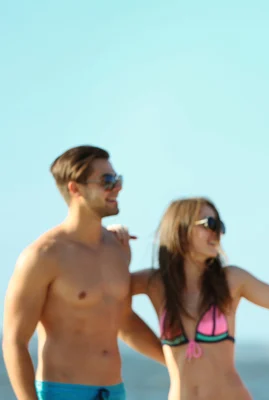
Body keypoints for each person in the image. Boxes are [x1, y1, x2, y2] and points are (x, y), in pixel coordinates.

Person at [2, 145, 164, 400]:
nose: (118, 187)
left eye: (117, 179)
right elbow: (14, 341)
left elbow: (123, 321)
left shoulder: (118, 249)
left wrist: (175, 363)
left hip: (114, 392)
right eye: (107, 180)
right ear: (75, 188)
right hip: (62, 393)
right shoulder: (43, 256)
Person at [110, 197, 269, 400]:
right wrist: (115, 251)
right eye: (210, 224)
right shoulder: (155, 283)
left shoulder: (232, 280)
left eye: (220, 227)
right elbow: (108, 300)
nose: (216, 233)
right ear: (180, 228)